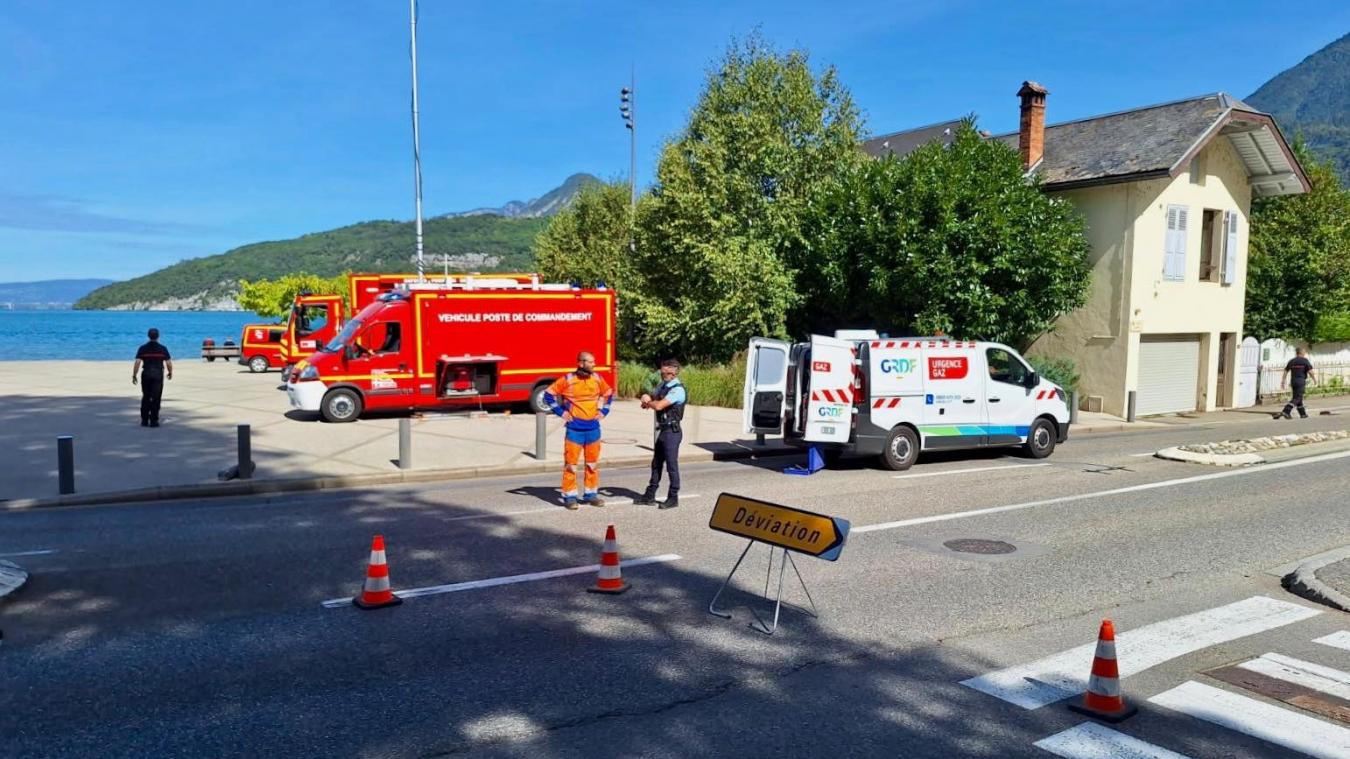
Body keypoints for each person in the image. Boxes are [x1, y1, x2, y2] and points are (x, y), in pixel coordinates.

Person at [543, 351, 614, 509]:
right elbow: (548, 395)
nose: (594, 364)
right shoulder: (568, 379)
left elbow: (609, 393)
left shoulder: (597, 378)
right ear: (581, 363)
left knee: (592, 464)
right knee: (571, 465)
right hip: (574, 430)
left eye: (594, 361)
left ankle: (591, 495)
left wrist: (604, 411)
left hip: (593, 429)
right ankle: (570, 497)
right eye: (590, 362)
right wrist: (560, 412)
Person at [636, 359, 686, 510]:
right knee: (656, 464)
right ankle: (650, 494)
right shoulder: (663, 385)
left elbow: (658, 405)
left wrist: (649, 402)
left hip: (672, 432)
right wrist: (646, 398)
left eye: (667, 373)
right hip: (663, 430)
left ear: (674, 373)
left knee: (671, 466)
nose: (664, 375)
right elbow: (652, 399)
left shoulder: (677, 390)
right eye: (662, 373)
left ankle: (673, 497)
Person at [132, 328, 173, 427]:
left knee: (146, 396)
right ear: (158, 336)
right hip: (158, 375)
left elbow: (137, 362)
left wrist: (134, 375)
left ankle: (144, 420)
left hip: (146, 374)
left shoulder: (143, 348)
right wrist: (170, 372)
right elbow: (168, 362)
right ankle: (154, 420)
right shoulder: (163, 348)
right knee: (156, 397)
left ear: (148, 336)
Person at [1275, 348, 1316, 419]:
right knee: (1298, 398)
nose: (1305, 353)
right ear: (1301, 352)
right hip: (1300, 381)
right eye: (1304, 352)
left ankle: (1303, 414)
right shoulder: (1304, 360)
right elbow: (1310, 371)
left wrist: (1283, 380)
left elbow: (1286, 370)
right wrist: (1314, 379)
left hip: (1293, 381)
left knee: (1297, 398)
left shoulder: (1292, 361)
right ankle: (1286, 411)